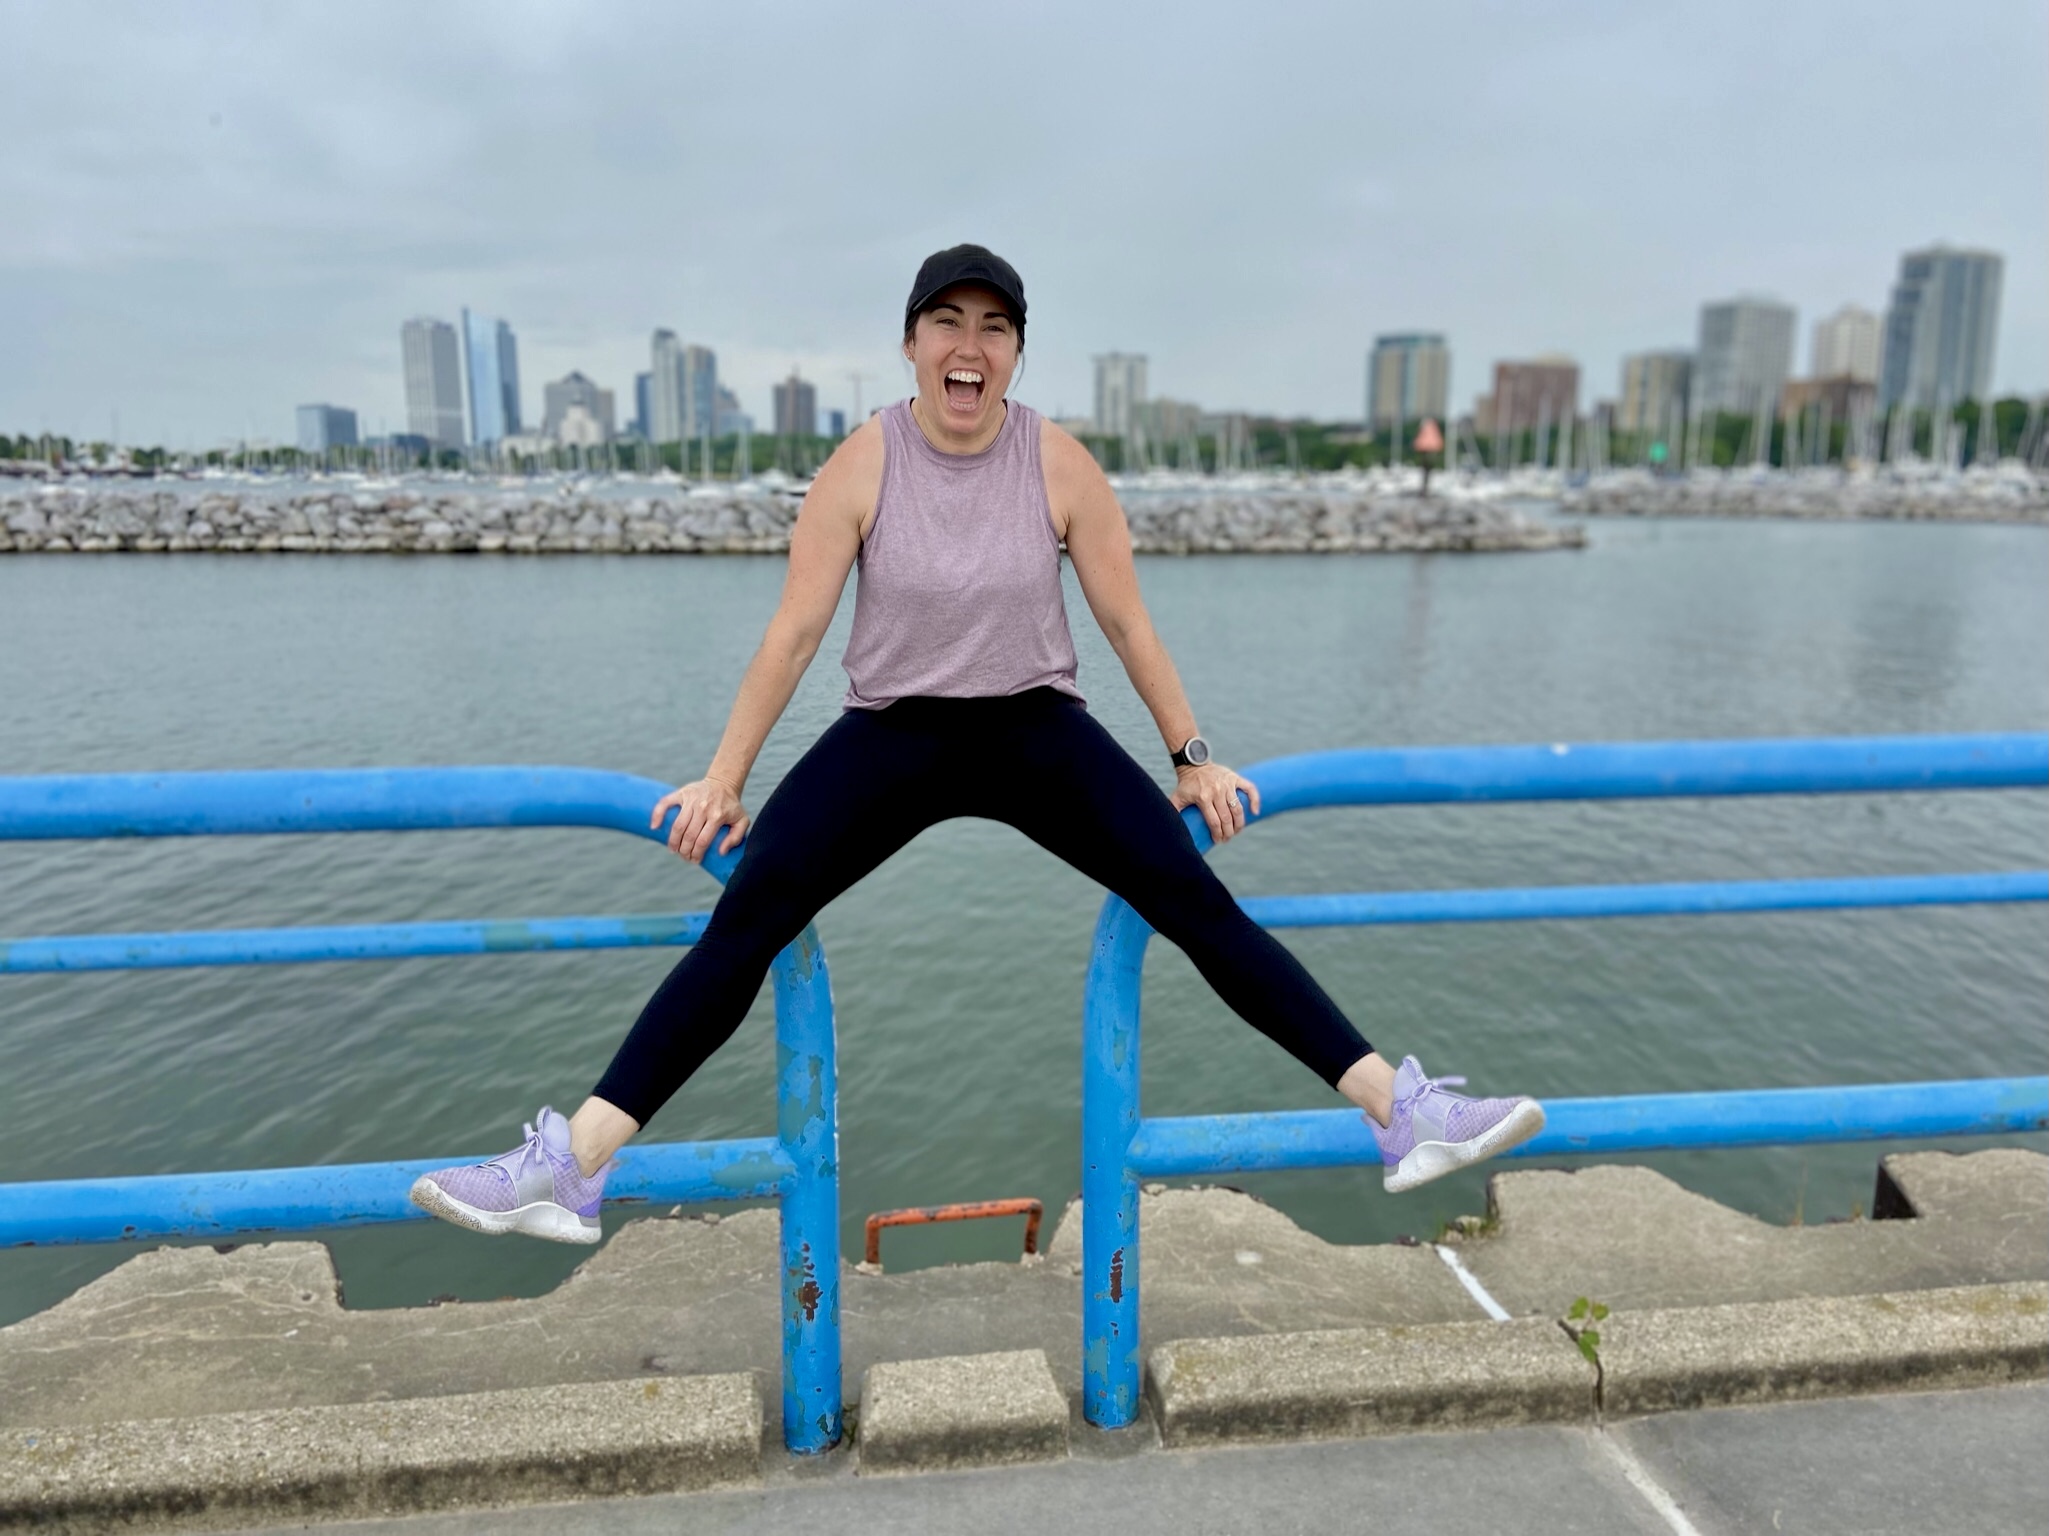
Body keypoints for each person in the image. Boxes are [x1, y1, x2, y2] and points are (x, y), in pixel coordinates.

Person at [409, 245, 1543, 1245]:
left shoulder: (1057, 463)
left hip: (1034, 728)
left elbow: (1125, 617)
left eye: (992, 327)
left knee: (1193, 902)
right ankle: (572, 1167)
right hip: (888, 734)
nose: (969, 345)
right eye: (947, 323)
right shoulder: (865, 461)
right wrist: (724, 776)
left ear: (1013, 354)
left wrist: (1191, 752)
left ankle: (1403, 1115)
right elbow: (797, 627)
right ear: (910, 346)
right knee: (748, 917)